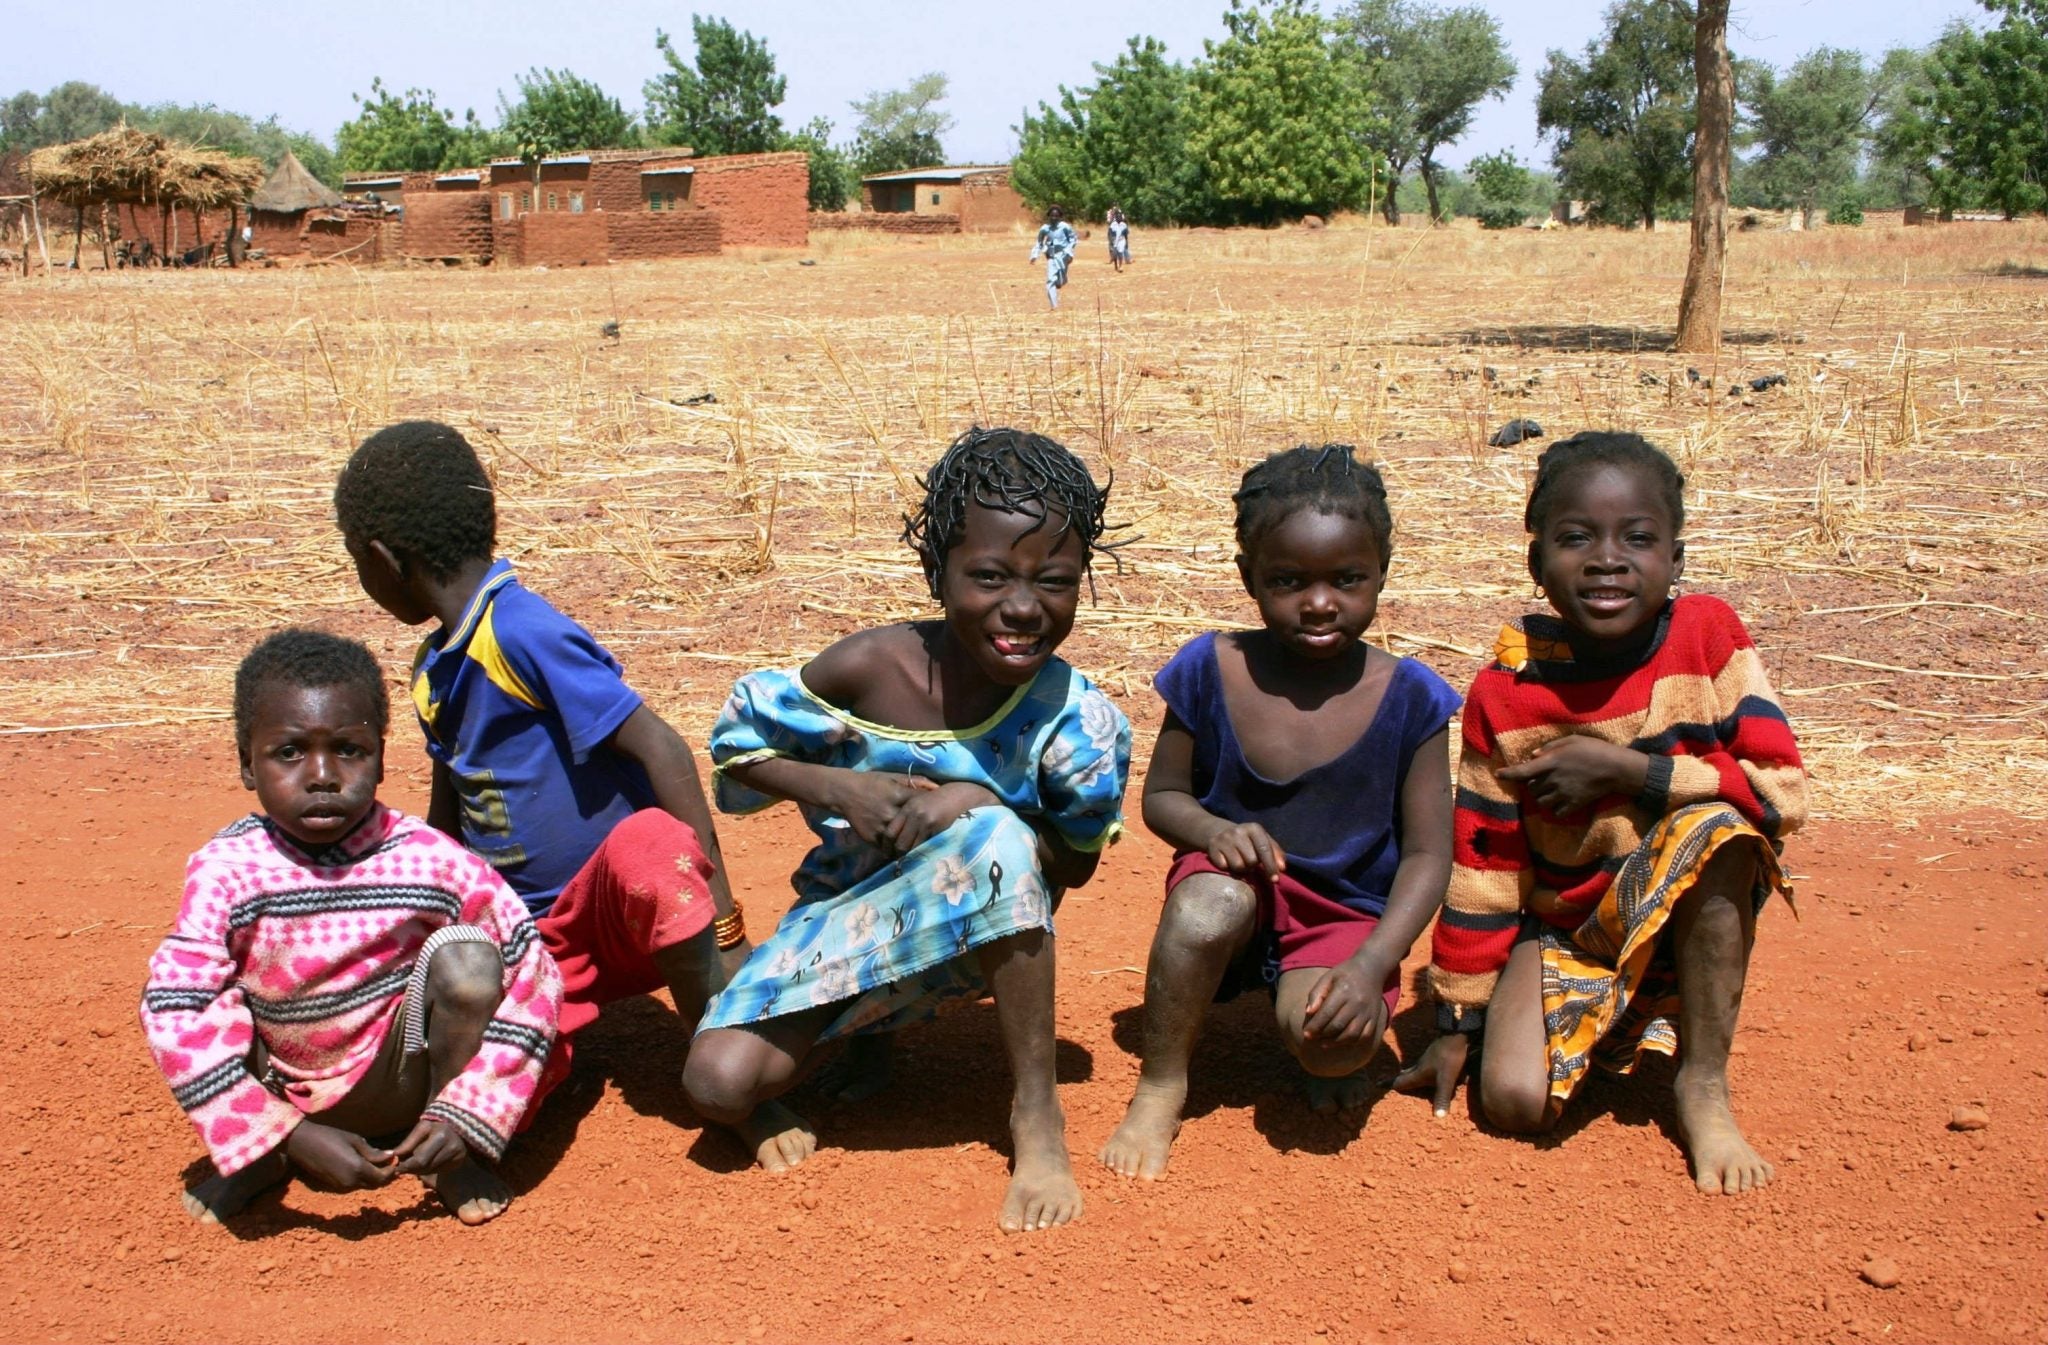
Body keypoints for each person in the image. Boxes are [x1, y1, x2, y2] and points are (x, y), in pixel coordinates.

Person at [685, 426, 1131, 1234]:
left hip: (976, 938)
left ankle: (1036, 1112)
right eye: (989, 576)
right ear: (937, 572)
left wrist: (975, 803)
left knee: (997, 839)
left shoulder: (1074, 720)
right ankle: (867, 1035)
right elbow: (739, 747)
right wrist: (839, 786)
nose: (1023, 606)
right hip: (844, 923)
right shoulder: (871, 668)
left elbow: (1073, 863)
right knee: (718, 1083)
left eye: (1055, 581)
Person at [1395, 431, 1808, 1196]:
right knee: (1512, 1102)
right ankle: (1597, 1014)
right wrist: (1457, 1019)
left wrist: (1633, 772)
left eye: (1638, 539)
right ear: (1537, 563)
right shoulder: (1506, 692)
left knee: (1720, 834)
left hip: (1685, 916)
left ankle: (1702, 1081)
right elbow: (1486, 863)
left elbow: (1780, 794)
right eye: (1576, 538)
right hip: (1568, 926)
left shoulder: (1707, 635)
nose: (1607, 560)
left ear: (1676, 560)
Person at [331, 421, 765, 1145]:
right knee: (497, 1103)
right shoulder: (434, 671)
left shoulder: (520, 631)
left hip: (618, 914)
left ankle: (729, 1067)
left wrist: (723, 923)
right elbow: (449, 821)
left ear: (382, 559)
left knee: (650, 845)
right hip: (531, 938)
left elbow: (661, 747)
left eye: (355, 560)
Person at [1099, 445, 1459, 1182]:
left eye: (1347, 579)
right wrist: (1213, 830)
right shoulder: (1209, 668)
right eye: (1288, 581)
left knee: (1334, 1045)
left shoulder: (1412, 696)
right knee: (1205, 909)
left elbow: (1429, 854)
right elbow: (1161, 797)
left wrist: (1369, 966)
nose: (1319, 602)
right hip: (1234, 887)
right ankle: (1163, 1082)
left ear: (1382, 572)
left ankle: (1316, 1022)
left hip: (1342, 911)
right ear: (1249, 577)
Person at [141, 630, 561, 1226]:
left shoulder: (427, 859)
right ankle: (260, 1155)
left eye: (348, 750)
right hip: (280, 1084)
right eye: (290, 752)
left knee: (471, 959)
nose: (322, 775)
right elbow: (174, 1009)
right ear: (246, 764)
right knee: (185, 990)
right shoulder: (227, 870)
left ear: (381, 759)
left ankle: (450, 1156)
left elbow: (533, 969)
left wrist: (471, 1110)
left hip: (400, 1080)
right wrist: (285, 1131)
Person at [1028, 206, 1078, 310]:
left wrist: (1069, 252)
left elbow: (1073, 239)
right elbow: (1039, 242)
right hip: (1051, 256)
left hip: (1063, 256)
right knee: (1050, 280)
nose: (1054, 218)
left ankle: (1060, 282)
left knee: (1060, 281)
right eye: (1052, 216)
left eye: (1056, 216)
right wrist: (1034, 255)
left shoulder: (1065, 227)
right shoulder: (1045, 228)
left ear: (1060, 217)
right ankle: (1054, 306)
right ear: (1049, 216)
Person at [1107, 206, 1131, 273]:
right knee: (1115, 254)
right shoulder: (1113, 224)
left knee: (1120, 253)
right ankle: (1116, 265)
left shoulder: (1124, 225)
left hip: (1121, 240)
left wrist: (1126, 243)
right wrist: (1111, 241)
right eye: (1118, 217)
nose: (1119, 218)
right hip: (1115, 240)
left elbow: (1126, 235)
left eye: (1120, 217)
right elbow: (1110, 233)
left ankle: (1120, 266)